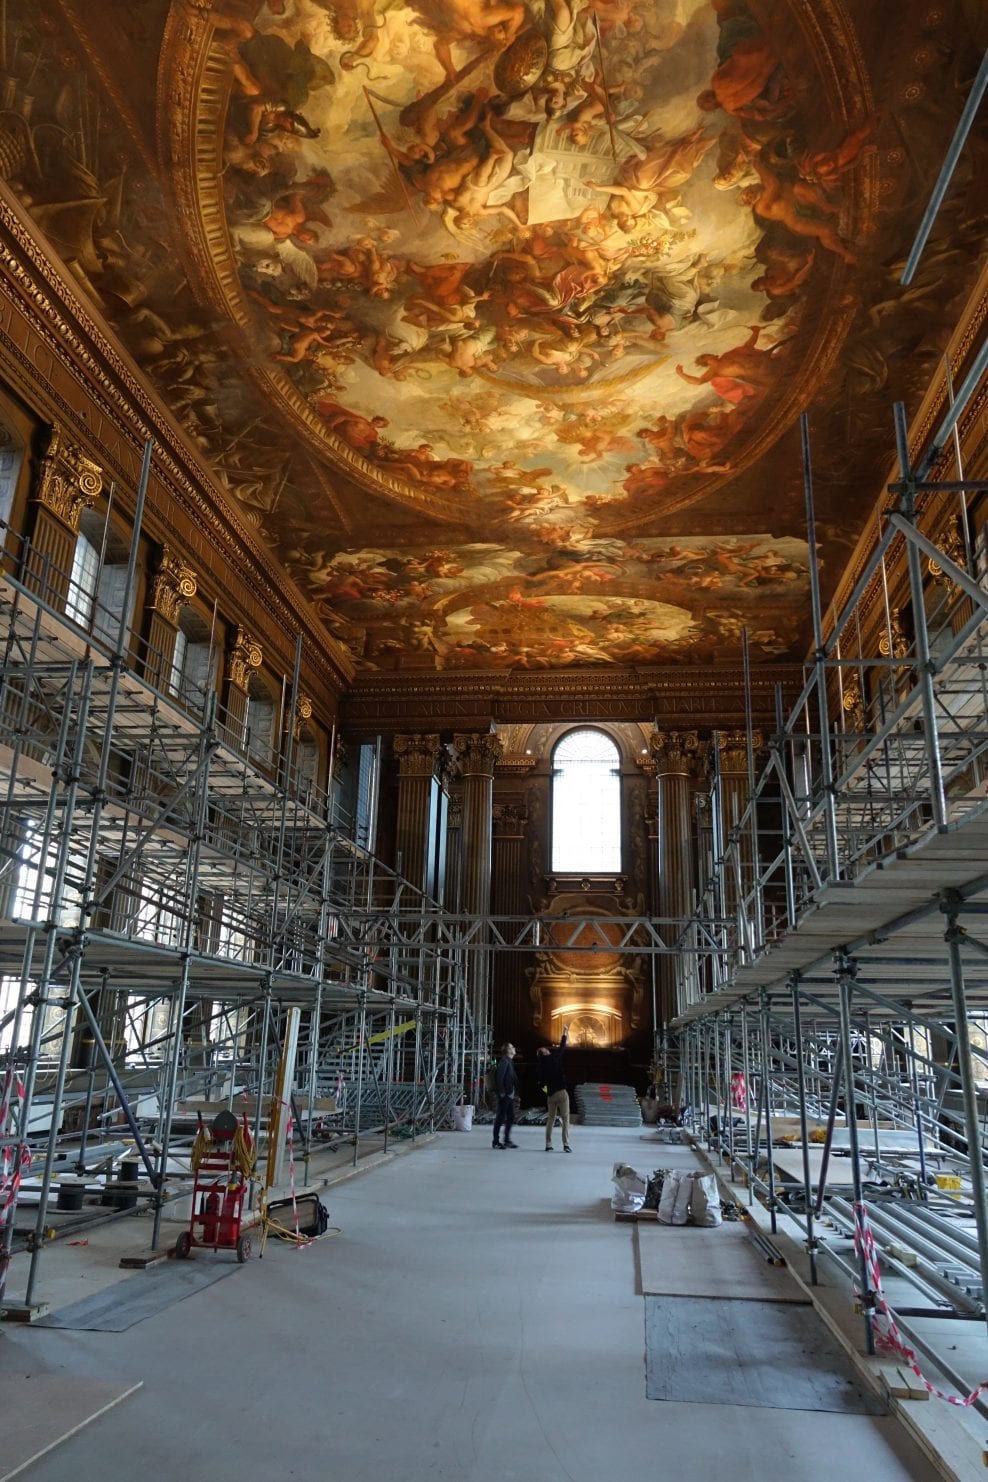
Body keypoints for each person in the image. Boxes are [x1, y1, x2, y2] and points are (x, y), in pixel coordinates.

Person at [537, 1024, 571, 1151]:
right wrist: (564, 1032)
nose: (548, 1050)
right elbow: (562, 1047)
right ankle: (566, 1144)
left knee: (550, 1119)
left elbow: (540, 1084)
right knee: (566, 1118)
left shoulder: (539, 1067)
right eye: (546, 1050)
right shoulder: (553, 1058)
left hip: (550, 1095)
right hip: (561, 1092)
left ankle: (548, 1144)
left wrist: (548, 1091)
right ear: (545, 1053)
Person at [492, 1041, 518, 1148]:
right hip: (505, 1095)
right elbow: (499, 1078)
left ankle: (507, 1140)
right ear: (508, 1050)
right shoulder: (504, 1061)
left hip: (509, 1095)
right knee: (500, 1118)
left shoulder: (509, 1061)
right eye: (512, 1047)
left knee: (510, 1117)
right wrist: (502, 1093)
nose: (514, 1048)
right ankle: (496, 1142)